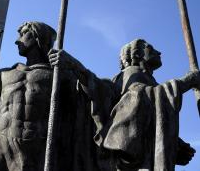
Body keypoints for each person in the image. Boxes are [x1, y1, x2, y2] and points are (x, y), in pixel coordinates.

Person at [0, 22, 97, 171]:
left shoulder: (57, 75)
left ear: (38, 37)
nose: (17, 40)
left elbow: (91, 95)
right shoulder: (6, 74)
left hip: (37, 150)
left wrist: (74, 65)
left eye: (23, 34)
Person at [49, 39, 199, 170]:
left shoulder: (147, 80)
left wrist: (175, 145)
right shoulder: (128, 77)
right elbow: (134, 102)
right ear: (137, 55)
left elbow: (148, 117)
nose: (159, 52)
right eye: (150, 48)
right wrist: (186, 82)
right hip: (128, 163)